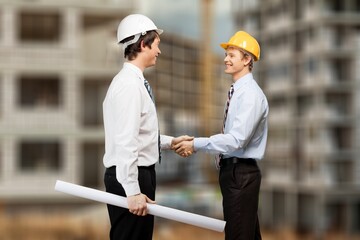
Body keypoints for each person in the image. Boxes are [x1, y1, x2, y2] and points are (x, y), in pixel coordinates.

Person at [102, 14, 192, 240]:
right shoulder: (129, 86)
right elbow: (126, 141)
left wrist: (170, 142)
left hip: (134, 174)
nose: (159, 52)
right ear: (143, 44)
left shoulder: (132, 83)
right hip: (131, 176)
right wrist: (133, 191)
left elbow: (138, 132)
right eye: (157, 45)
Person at [173, 31, 269, 240]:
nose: (225, 59)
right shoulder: (238, 92)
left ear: (247, 60)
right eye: (227, 54)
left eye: (232, 55)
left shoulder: (250, 95)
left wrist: (196, 144)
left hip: (240, 174)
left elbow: (236, 140)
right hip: (234, 172)